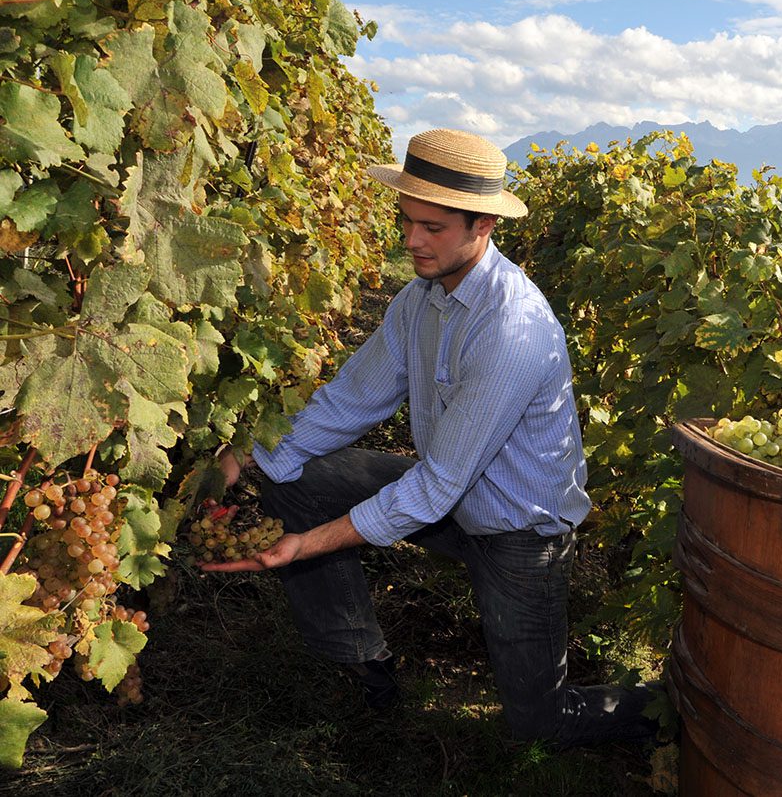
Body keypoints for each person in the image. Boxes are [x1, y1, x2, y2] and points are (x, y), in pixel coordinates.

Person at [205, 128, 657, 746]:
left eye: (434, 228)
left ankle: (671, 704)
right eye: (408, 221)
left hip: (519, 533)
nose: (412, 241)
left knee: (539, 726)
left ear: (483, 227)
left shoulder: (512, 329)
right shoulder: (419, 299)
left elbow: (438, 483)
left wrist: (303, 546)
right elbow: (351, 399)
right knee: (296, 478)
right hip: (448, 498)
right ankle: (365, 667)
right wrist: (247, 458)